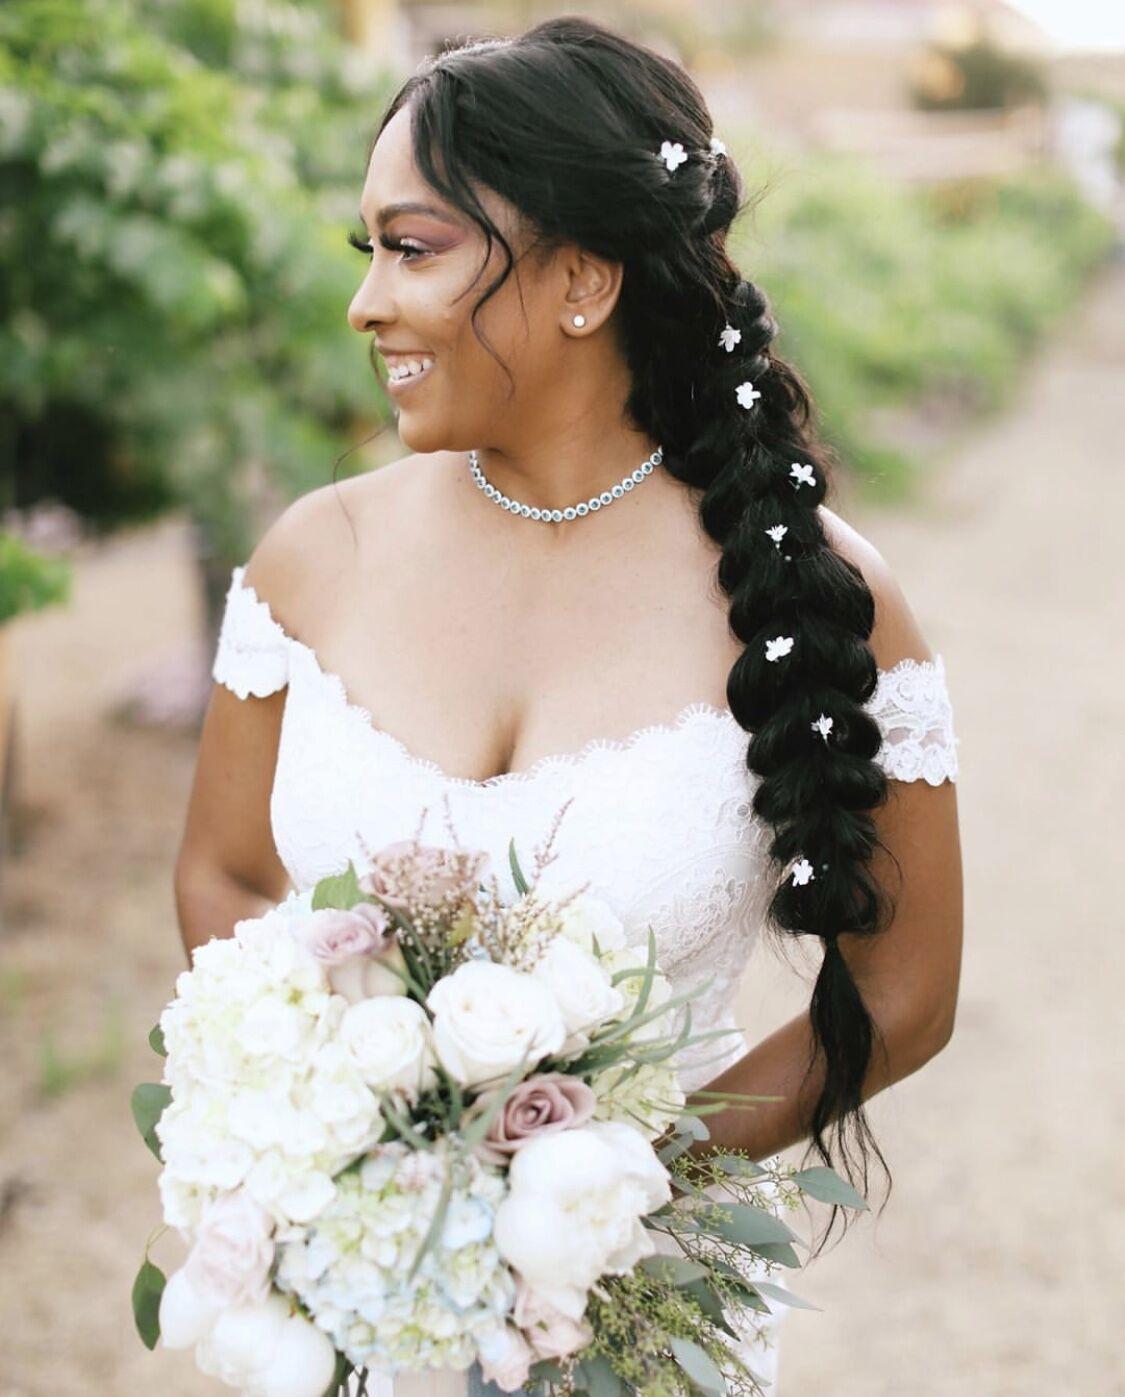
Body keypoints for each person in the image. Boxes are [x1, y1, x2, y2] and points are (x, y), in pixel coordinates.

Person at [174, 16, 963, 1396]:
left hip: (630, 1328)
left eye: (414, 250)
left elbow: (899, 992)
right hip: (350, 1307)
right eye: (366, 253)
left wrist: (595, 1191)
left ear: (584, 277)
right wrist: (346, 1138)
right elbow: (227, 867)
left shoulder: (812, 593)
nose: (366, 305)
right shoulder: (317, 553)